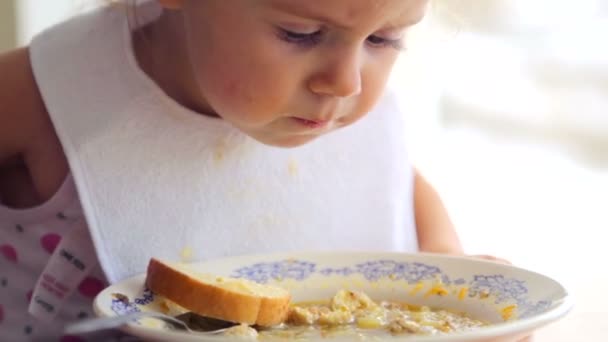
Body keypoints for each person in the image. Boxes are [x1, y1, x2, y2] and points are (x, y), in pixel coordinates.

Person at [0, 0, 519, 340]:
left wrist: (448, 266)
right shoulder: (43, 95)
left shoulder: (341, 106)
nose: (346, 82)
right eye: (301, 32)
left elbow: (390, 181)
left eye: (384, 41)